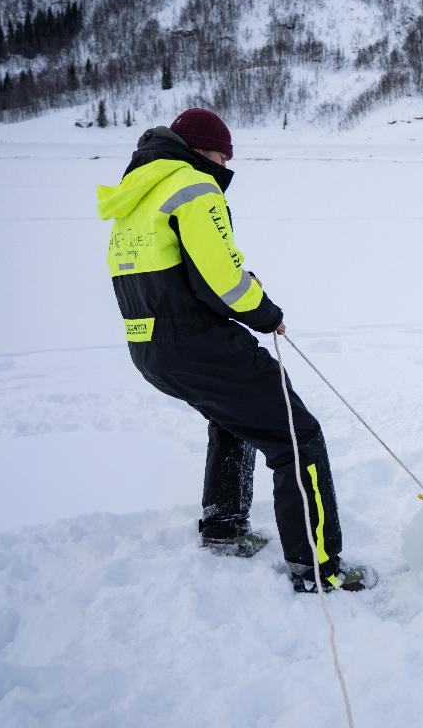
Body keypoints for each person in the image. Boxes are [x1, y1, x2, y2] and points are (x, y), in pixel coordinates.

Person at [96, 107, 374, 592]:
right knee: (297, 436)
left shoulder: (136, 195)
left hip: (149, 347)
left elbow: (182, 274)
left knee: (234, 420)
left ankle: (224, 529)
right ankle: (319, 569)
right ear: (203, 150)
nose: (227, 163)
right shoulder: (194, 187)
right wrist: (264, 311)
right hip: (197, 343)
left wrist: (238, 288)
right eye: (224, 154)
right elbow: (220, 281)